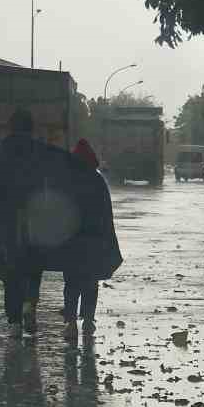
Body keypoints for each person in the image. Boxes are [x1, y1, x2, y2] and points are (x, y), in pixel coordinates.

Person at [0, 108, 48, 335]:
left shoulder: (3, 150)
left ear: (11, 127)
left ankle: (14, 321)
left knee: (11, 271)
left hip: (7, 220)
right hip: (35, 218)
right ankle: (30, 305)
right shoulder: (39, 150)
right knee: (34, 266)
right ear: (31, 127)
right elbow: (50, 183)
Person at [60, 139, 122, 340]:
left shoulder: (67, 180)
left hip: (72, 241)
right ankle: (88, 321)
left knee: (71, 282)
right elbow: (106, 214)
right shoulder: (98, 180)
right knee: (90, 282)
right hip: (93, 242)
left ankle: (70, 323)